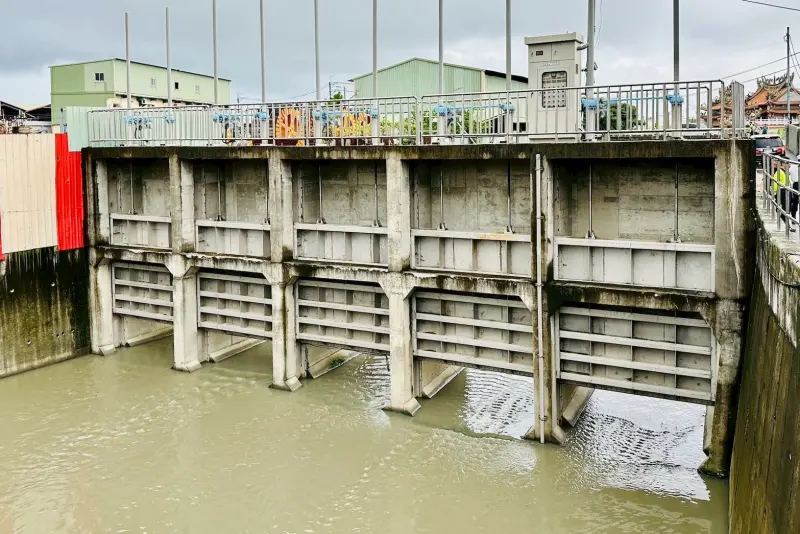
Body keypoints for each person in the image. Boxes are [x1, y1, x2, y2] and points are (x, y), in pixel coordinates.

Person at [773, 160, 796, 232]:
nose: (789, 165)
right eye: (788, 163)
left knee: (786, 210)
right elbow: (775, 183)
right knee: (784, 210)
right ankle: (787, 227)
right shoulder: (779, 172)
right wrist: (775, 194)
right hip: (782, 191)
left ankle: (787, 226)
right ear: (783, 163)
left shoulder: (786, 172)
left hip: (787, 191)